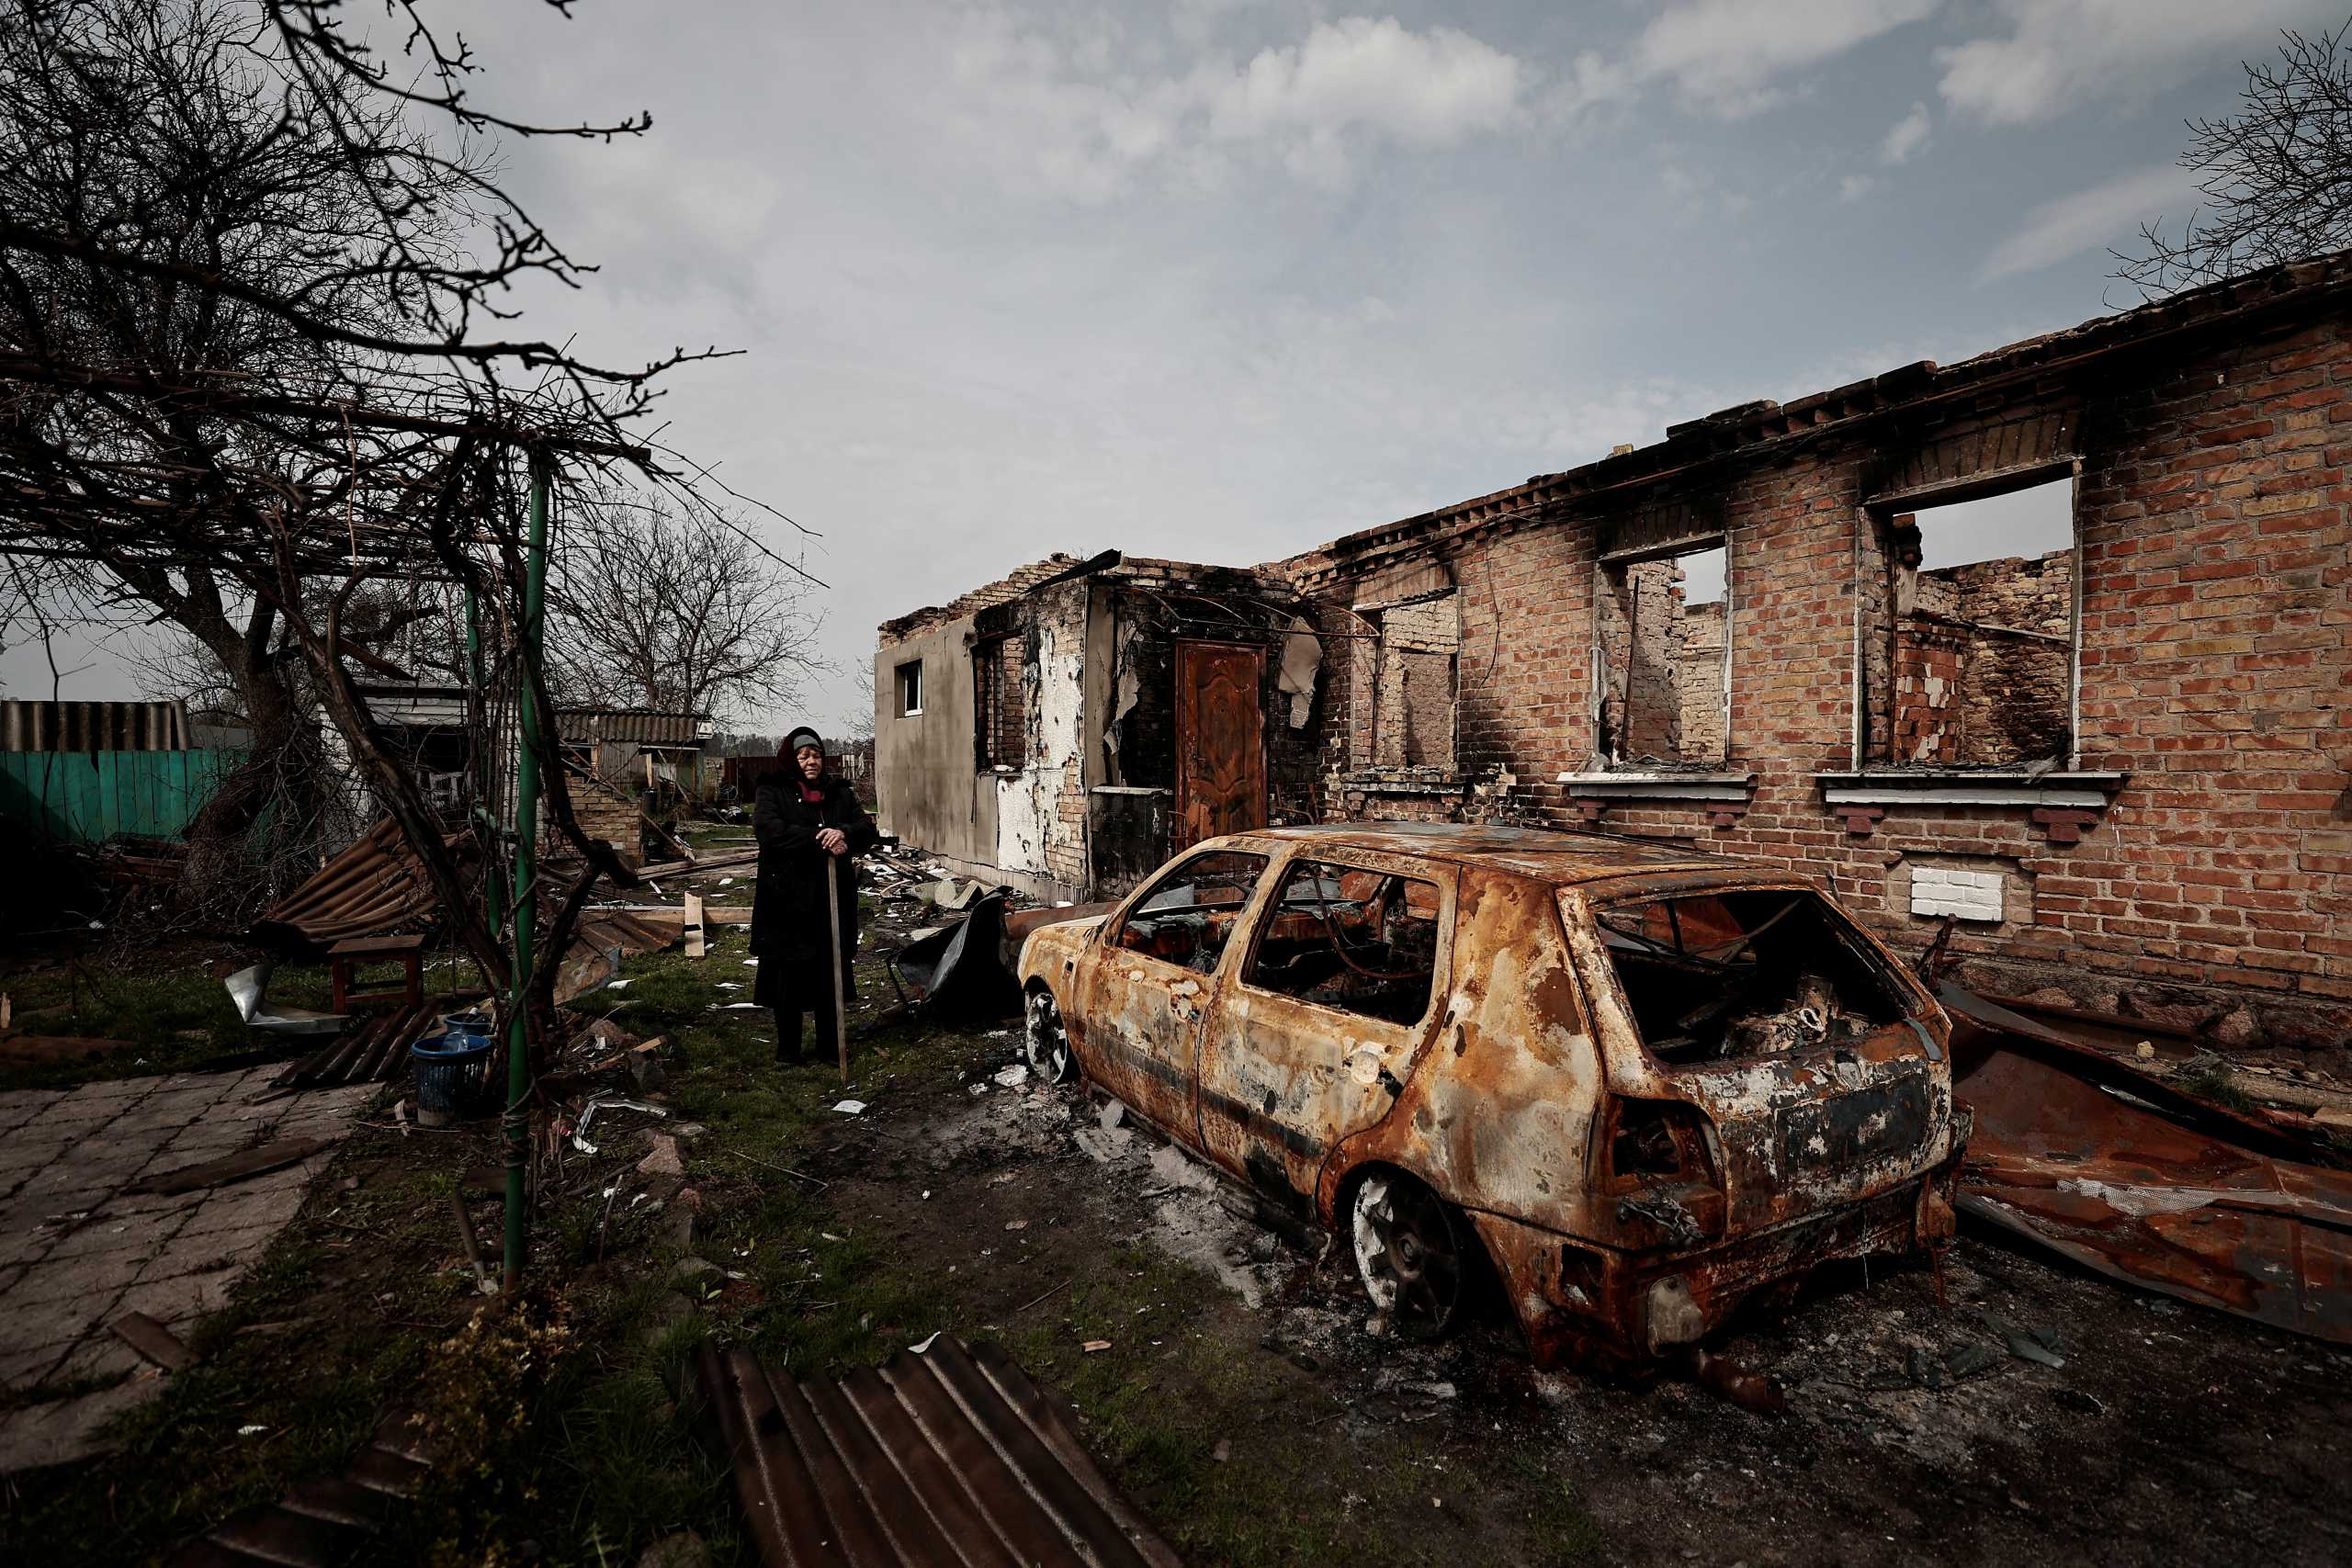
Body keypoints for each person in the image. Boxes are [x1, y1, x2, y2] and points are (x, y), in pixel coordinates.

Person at [751, 727, 879, 1066]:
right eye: (804, 756)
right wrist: (820, 839)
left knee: (828, 970)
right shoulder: (772, 789)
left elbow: (867, 830)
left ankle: (828, 1047)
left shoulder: (838, 793)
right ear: (792, 759)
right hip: (787, 902)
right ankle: (788, 1050)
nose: (812, 762)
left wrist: (844, 832)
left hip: (829, 901)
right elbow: (770, 831)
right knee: (787, 976)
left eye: (817, 755)